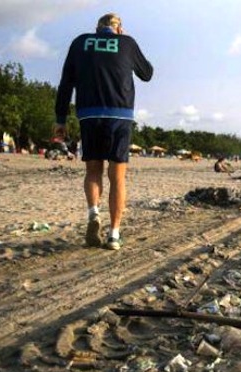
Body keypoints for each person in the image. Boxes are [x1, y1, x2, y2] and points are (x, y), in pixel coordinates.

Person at [54, 13, 153, 250]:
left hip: (89, 114)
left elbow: (66, 82)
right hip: (119, 115)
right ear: (119, 29)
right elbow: (147, 74)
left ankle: (93, 213)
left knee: (93, 171)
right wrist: (126, 40)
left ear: (96, 29)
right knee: (117, 177)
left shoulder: (80, 42)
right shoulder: (127, 43)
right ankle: (114, 235)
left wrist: (60, 119)